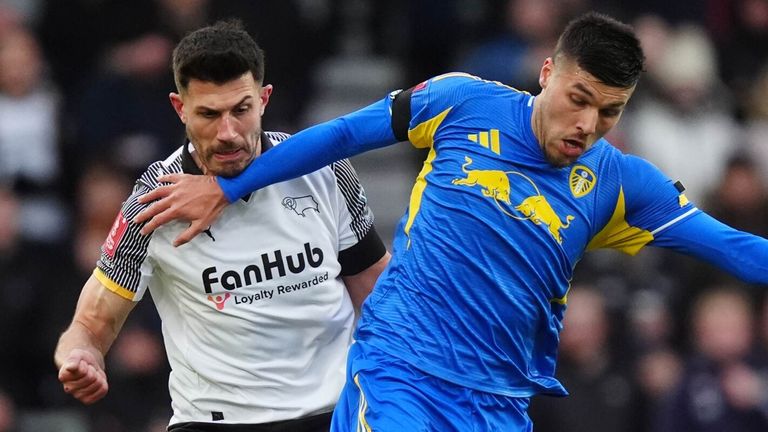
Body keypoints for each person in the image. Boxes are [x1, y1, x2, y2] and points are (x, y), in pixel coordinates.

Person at [133, 12, 768, 431]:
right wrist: (230, 184)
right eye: (578, 99)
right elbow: (346, 134)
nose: (586, 125)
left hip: (498, 400)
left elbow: (734, 247)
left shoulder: (621, 184)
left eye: (609, 112)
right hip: (399, 371)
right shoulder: (463, 103)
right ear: (548, 73)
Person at [54, 20, 390, 432]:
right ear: (180, 108)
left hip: (331, 414)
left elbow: (376, 290)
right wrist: (81, 354)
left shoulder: (324, 169)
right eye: (209, 114)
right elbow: (91, 323)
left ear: (264, 99)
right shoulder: (153, 201)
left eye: (241, 110)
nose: (228, 133)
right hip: (215, 421)